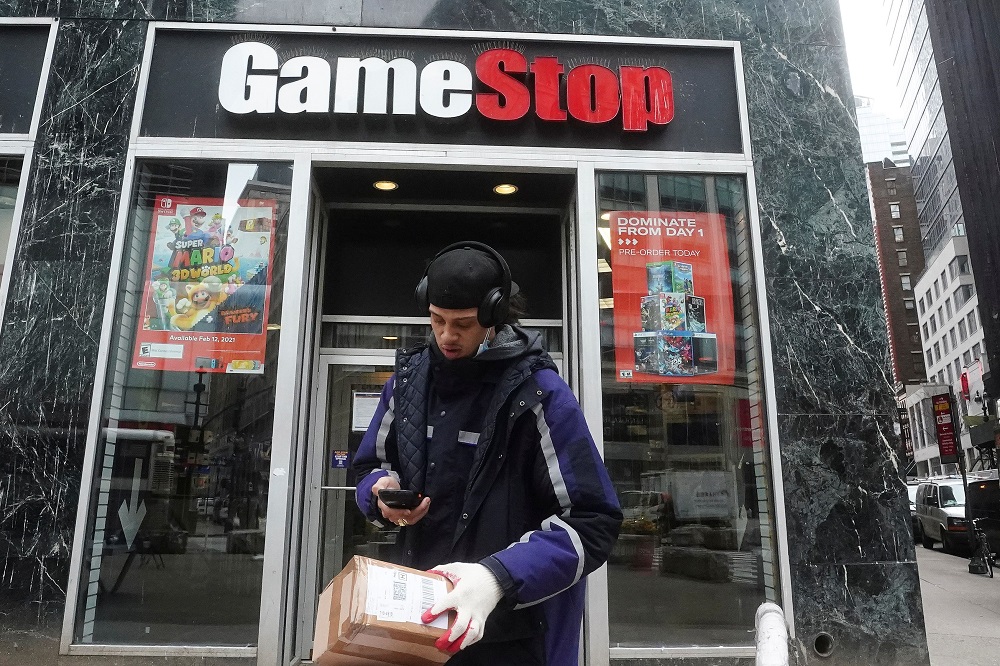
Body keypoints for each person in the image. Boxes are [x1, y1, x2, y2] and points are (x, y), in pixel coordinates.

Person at [351, 241, 622, 665]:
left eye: (462, 324)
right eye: (437, 321)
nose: (446, 336)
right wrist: (379, 492)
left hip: (513, 634)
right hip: (420, 621)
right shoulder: (407, 383)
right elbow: (369, 466)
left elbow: (594, 521)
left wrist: (497, 577)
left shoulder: (541, 394)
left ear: (496, 317)